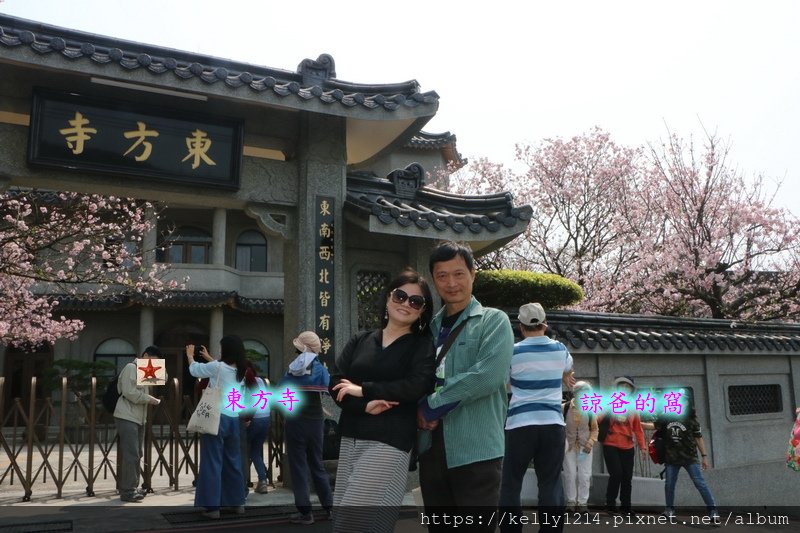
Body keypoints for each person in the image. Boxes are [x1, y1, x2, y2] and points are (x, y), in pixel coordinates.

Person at [417, 240, 515, 532]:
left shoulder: (493, 321)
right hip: (432, 449)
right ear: (433, 279)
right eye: (442, 275)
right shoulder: (428, 329)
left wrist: (431, 406)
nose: (451, 283)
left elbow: (488, 375)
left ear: (473, 274)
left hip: (477, 450)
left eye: (459, 273)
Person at [330, 268, 436, 533]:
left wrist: (364, 389)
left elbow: (416, 386)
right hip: (351, 434)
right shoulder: (361, 340)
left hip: (390, 440)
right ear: (388, 298)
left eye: (416, 301)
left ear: (422, 311)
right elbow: (336, 384)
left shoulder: (421, 345)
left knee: (350, 522)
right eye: (400, 295)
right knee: (363, 521)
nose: (406, 304)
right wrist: (364, 404)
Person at [498, 303, 574, 533]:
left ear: (520, 327)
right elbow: (569, 370)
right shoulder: (560, 349)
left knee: (511, 483)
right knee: (550, 483)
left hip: (520, 424)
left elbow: (504, 381)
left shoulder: (513, 351)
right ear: (545, 323)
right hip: (552, 423)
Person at [186, 336, 247, 520]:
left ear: (226, 350)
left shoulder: (217, 367)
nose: (219, 352)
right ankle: (237, 503)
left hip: (216, 418)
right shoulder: (241, 370)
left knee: (212, 462)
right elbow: (221, 368)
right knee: (233, 462)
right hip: (233, 420)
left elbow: (195, 371)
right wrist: (210, 357)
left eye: (221, 349)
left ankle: (213, 507)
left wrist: (190, 355)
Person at [279, 331, 334, 525]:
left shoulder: (293, 368)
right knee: (317, 464)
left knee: (299, 467)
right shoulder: (321, 369)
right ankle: (329, 507)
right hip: (316, 422)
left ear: (302, 347)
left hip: (296, 422)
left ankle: (305, 512)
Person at [658, 390, 720, 524]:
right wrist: (636, 425)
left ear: (687, 403)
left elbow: (698, 438)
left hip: (690, 457)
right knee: (669, 485)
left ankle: (713, 511)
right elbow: (654, 426)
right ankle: (669, 510)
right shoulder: (667, 416)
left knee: (700, 483)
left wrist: (704, 456)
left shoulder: (692, 419)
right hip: (672, 458)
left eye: (683, 400)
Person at [114, 345, 163, 503]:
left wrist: (159, 369)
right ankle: (128, 491)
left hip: (138, 417)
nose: (153, 365)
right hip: (127, 416)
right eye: (153, 361)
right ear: (145, 355)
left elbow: (165, 378)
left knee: (136, 453)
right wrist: (149, 399)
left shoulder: (144, 370)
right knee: (131, 453)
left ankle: (132, 488)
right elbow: (129, 392)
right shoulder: (131, 367)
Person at [598, 375, 646, 516]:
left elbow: (638, 428)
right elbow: (596, 418)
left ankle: (626, 507)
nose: (625, 389)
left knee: (627, 477)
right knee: (616, 473)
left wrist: (643, 447)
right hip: (610, 443)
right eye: (622, 386)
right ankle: (610, 504)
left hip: (628, 446)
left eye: (628, 387)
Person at [562, 380, 599, 512]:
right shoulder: (565, 407)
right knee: (570, 474)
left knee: (584, 475)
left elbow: (595, 429)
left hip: (585, 448)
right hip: (568, 447)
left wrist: (590, 443)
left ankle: (583, 503)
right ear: (575, 393)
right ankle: (571, 501)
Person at [244, 361, 271, 494]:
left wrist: (246, 418)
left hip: (253, 419)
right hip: (266, 418)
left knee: (243, 451)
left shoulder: (246, 382)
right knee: (255, 451)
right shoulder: (262, 381)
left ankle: (242, 483)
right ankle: (263, 480)